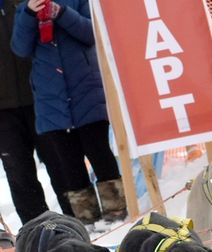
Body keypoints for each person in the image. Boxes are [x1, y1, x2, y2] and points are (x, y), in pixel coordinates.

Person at [11, 0, 127, 224]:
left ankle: (118, 215)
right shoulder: (24, 8)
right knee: (70, 166)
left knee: (100, 155)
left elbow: (91, 33)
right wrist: (28, 13)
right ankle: (87, 222)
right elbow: (20, 48)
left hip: (86, 93)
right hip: (50, 101)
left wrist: (61, 13)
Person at [0, 0, 74, 224]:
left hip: (42, 99)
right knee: (19, 174)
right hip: (3, 112)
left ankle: (80, 226)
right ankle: (38, 234)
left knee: (61, 164)